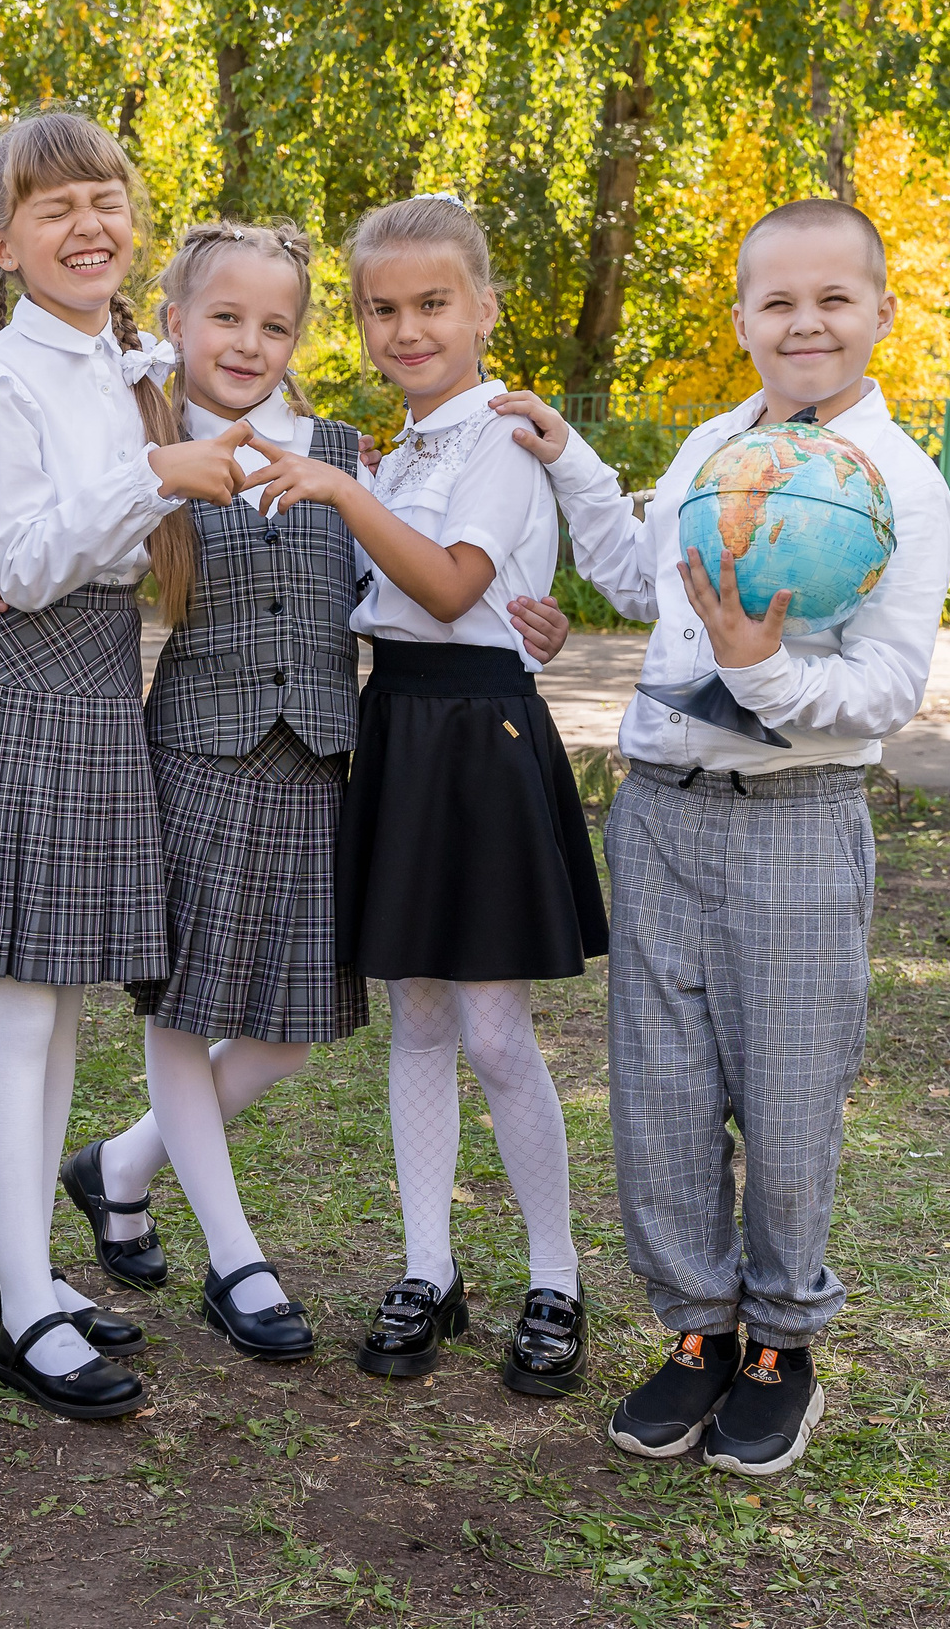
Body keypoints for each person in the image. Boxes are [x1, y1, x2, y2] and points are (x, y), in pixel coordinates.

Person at [497, 197, 950, 1477]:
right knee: (661, 1090)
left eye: (833, 299)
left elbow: (883, 689)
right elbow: (652, 585)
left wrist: (761, 672)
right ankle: (698, 1329)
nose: (805, 322)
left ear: (877, 312)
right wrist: (570, 459)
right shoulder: (716, 441)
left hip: (797, 822)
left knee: (790, 1098)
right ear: (744, 317)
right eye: (777, 302)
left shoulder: (899, 487)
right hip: (659, 814)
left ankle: (781, 1347)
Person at [68, 219, 573, 1363]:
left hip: (324, 765)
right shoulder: (141, 438)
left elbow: (412, 573)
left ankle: (119, 1166)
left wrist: (518, 614)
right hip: (195, 749)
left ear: (303, 335)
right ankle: (235, 1258)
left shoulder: (351, 449)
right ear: (177, 322)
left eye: (276, 323)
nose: (249, 342)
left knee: (293, 1032)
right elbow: (41, 530)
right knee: (185, 1010)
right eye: (226, 318)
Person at [256, 193, 620, 1398]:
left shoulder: (499, 437)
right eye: (379, 308)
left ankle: (555, 1276)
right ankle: (428, 1267)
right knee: (415, 1014)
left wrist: (341, 490)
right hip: (398, 725)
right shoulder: (391, 448)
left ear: (483, 309)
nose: (405, 329)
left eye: (431, 304)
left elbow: (458, 589)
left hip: (479, 732)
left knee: (495, 1027)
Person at [0, 108, 250, 1419]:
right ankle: (17, 1309)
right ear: (5, 241)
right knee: (14, 1012)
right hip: (23, 679)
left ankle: (35, 1281)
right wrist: (159, 467)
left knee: (56, 1012)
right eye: (53, 206)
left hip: (100, 681)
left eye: (105, 197)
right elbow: (32, 553)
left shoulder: (127, 364)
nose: (87, 223)